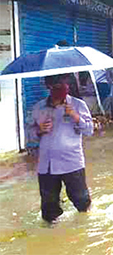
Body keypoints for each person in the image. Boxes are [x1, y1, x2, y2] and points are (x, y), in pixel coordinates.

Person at [27, 74, 94, 223]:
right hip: (47, 166)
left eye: (64, 85)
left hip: (72, 163)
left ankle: (86, 231)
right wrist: (39, 130)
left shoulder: (78, 105)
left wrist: (75, 116)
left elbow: (89, 130)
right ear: (48, 86)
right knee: (49, 209)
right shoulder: (39, 108)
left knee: (82, 203)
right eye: (56, 86)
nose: (62, 88)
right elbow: (29, 136)